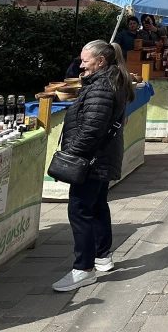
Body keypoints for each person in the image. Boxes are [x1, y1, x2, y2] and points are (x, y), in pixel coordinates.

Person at [53, 39, 134, 292]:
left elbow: (92, 129)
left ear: (100, 61)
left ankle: (83, 268)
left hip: (92, 160)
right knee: (97, 205)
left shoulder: (102, 86)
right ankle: (102, 256)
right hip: (100, 158)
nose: (81, 65)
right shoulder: (106, 81)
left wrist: (71, 153)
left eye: (85, 61)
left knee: (80, 210)